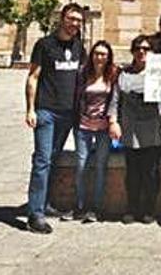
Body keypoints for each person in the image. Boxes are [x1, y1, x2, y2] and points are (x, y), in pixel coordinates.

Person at [24, 3, 85, 234]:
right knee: (42, 159)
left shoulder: (80, 46)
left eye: (79, 20)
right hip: (47, 111)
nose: (75, 24)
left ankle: (45, 203)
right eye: (71, 19)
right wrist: (30, 109)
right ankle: (35, 214)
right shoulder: (45, 45)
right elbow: (33, 77)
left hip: (69, 113)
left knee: (53, 158)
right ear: (62, 18)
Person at [64, 40, 118, 224]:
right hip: (83, 127)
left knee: (101, 168)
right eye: (96, 53)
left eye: (103, 54)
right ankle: (79, 206)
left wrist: (113, 122)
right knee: (81, 166)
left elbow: (115, 100)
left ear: (108, 56)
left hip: (103, 129)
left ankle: (96, 209)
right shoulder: (82, 74)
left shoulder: (114, 75)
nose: (99, 57)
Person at [117, 35, 161, 224]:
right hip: (131, 130)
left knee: (151, 172)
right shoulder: (124, 74)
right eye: (138, 48)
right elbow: (116, 99)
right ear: (132, 51)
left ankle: (149, 210)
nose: (142, 52)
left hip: (153, 129)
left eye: (146, 49)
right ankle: (132, 208)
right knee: (132, 173)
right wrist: (114, 121)